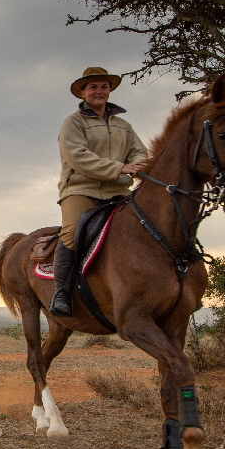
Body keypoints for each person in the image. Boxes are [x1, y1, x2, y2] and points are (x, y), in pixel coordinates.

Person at [50, 67, 148, 317]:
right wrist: (121, 168)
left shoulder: (123, 125)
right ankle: (61, 292)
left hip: (118, 191)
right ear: (83, 92)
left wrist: (139, 165)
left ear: (110, 89)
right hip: (81, 189)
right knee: (72, 233)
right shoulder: (73, 123)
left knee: (148, 227)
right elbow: (78, 157)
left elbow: (139, 152)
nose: (99, 91)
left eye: (103, 86)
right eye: (92, 87)